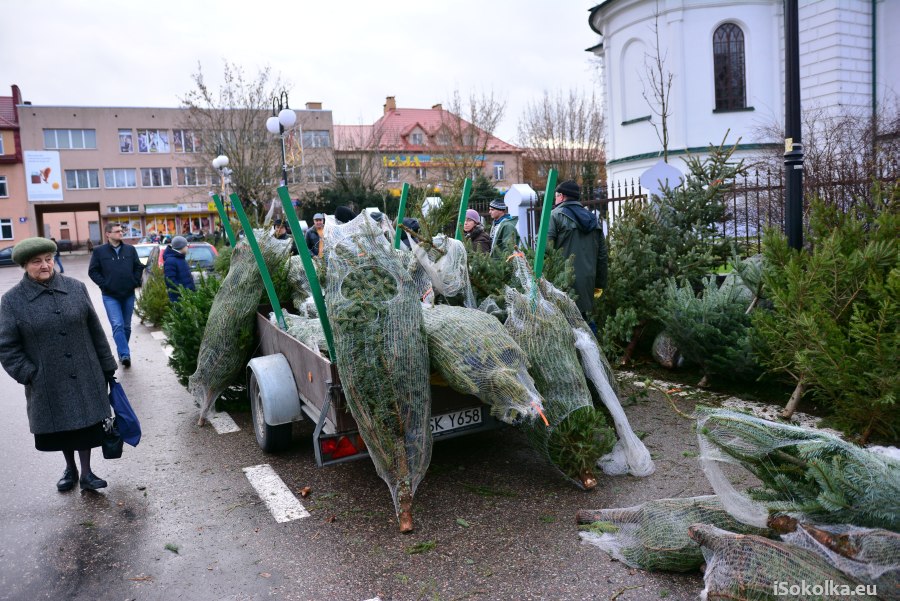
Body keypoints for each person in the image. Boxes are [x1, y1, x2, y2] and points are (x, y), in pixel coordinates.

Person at [0, 237, 118, 492]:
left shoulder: (76, 288)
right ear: (24, 265)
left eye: (48, 259)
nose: (45, 265)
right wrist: (30, 373)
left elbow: (96, 330)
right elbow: (7, 346)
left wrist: (107, 366)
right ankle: (70, 468)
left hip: (86, 371)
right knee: (63, 426)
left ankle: (86, 473)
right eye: (36, 261)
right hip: (47, 378)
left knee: (86, 424)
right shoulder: (12, 301)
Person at [547, 179, 608, 321]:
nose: (555, 199)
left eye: (556, 196)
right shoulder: (593, 219)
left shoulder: (555, 215)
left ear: (561, 196)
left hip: (561, 284)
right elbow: (602, 256)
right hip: (587, 283)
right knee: (584, 323)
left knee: (565, 326)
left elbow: (546, 250)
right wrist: (599, 284)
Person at [88, 223, 144, 368]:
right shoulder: (99, 252)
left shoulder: (130, 250)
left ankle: (121, 351)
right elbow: (93, 271)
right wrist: (105, 284)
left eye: (121, 231)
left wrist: (135, 281)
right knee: (117, 325)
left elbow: (138, 266)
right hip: (110, 296)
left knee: (126, 326)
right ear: (108, 234)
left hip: (128, 294)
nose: (121, 233)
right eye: (117, 231)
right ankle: (125, 354)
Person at [163, 236, 196, 302]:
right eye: (186, 246)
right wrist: (183, 291)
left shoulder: (180, 258)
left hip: (187, 297)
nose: (187, 247)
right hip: (179, 299)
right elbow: (170, 281)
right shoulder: (170, 261)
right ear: (181, 247)